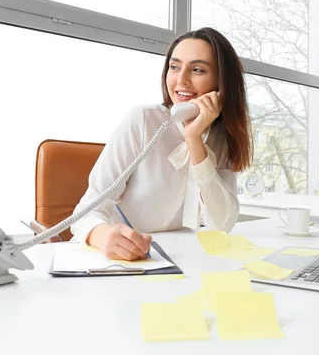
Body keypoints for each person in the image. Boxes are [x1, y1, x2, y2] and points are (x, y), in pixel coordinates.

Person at [70, 27, 253, 261]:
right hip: (119, 262)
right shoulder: (143, 120)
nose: (181, 79)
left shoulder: (221, 138)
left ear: (221, 82)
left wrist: (194, 139)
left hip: (179, 261)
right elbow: (86, 211)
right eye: (174, 67)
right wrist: (103, 236)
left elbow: (222, 223)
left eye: (197, 70)